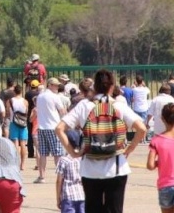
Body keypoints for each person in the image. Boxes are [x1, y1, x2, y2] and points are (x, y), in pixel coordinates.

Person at [55, 69, 146, 213]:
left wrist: (73, 153)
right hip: (116, 168)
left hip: (90, 169)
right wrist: (129, 149)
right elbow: (142, 129)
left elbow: (59, 128)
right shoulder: (118, 106)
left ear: (95, 86)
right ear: (111, 86)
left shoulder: (85, 105)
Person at [34, 77, 66, 184]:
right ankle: (60, 176)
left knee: (43, 153)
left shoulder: (40, 96)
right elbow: (62, 111)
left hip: (42, 127)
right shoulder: (54, 97)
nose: (57, 87)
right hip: (53, 127)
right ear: (50, 85)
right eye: (55, 85)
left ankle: (41, 176)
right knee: (57, 153)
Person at [56, 131, 85, 213]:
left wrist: (58, 198)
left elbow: (59, 181)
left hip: (68, 196)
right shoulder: (82, 159)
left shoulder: (63, 160)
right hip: (82, 195)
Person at [8, 84, 29, 170]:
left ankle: (16, 163)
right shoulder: (25, 101)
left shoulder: (10, 101)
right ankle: (22, 165)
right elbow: (26, 112)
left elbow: (7, 112)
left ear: (14, 92)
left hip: (13, 123)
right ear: (21, 91)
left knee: (15, 144)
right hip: (23, 124)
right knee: (23, 144)